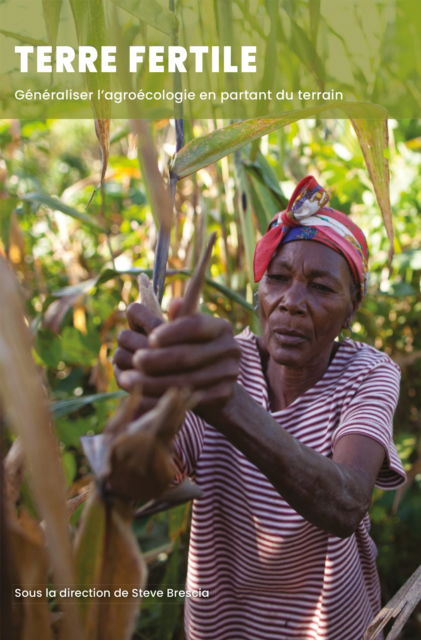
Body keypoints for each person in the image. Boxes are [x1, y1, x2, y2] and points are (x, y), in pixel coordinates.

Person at [113, 176, 406, 640]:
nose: (292, 302)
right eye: (278, 278)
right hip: (221, 626)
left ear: (353, 307)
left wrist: (224, 402)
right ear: (260, 293)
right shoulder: (222, 362)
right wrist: (144, 410)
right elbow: (141, 483)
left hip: (332, 626)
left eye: (321, 287)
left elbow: (346, 502)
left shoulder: (367, 374)